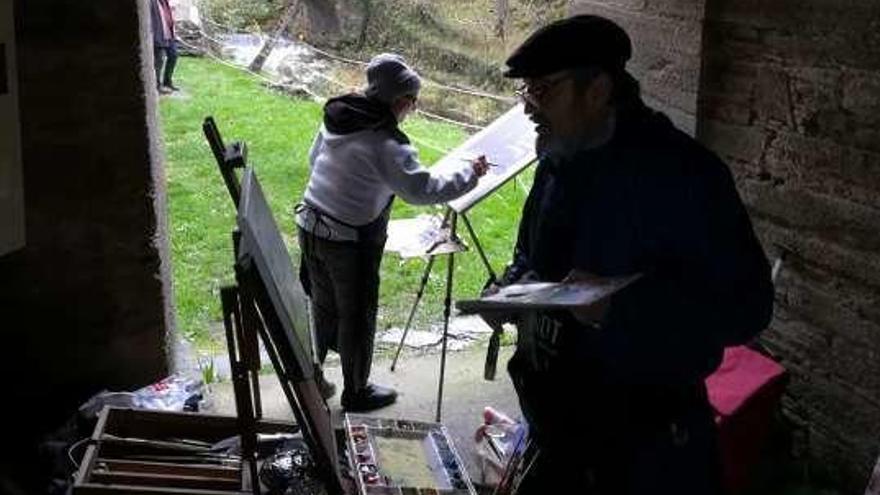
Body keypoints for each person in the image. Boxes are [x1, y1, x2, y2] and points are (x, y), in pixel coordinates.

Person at [487, 15, 775, 494]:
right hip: (557, 435)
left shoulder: (684, 176)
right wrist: (511, 287)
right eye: (527, 93)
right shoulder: (560, 158)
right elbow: (535, 256)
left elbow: (747, 309)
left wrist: (616, 310)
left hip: (645, 452)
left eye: (544, 91)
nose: (530, 109)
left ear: (598, 89)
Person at [296, 53, 489, 412]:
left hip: (310, 224)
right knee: (357, 314)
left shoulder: (339, 118)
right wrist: (472, 175)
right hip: (347, 240)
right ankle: (355, 391)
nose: (411, 110)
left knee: (322, 307)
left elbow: (314, 162)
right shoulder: (387, 142)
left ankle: (312, 380)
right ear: (401, 100)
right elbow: (422, 190)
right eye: (412, 103)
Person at [150, 0, 179, 94]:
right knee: (158, 61)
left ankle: (167, 81)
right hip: (159, 34)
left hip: (169, 33)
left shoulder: (165, 2)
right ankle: (157, 86)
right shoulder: (152, 2)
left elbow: (169, 16)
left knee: (173, 55)